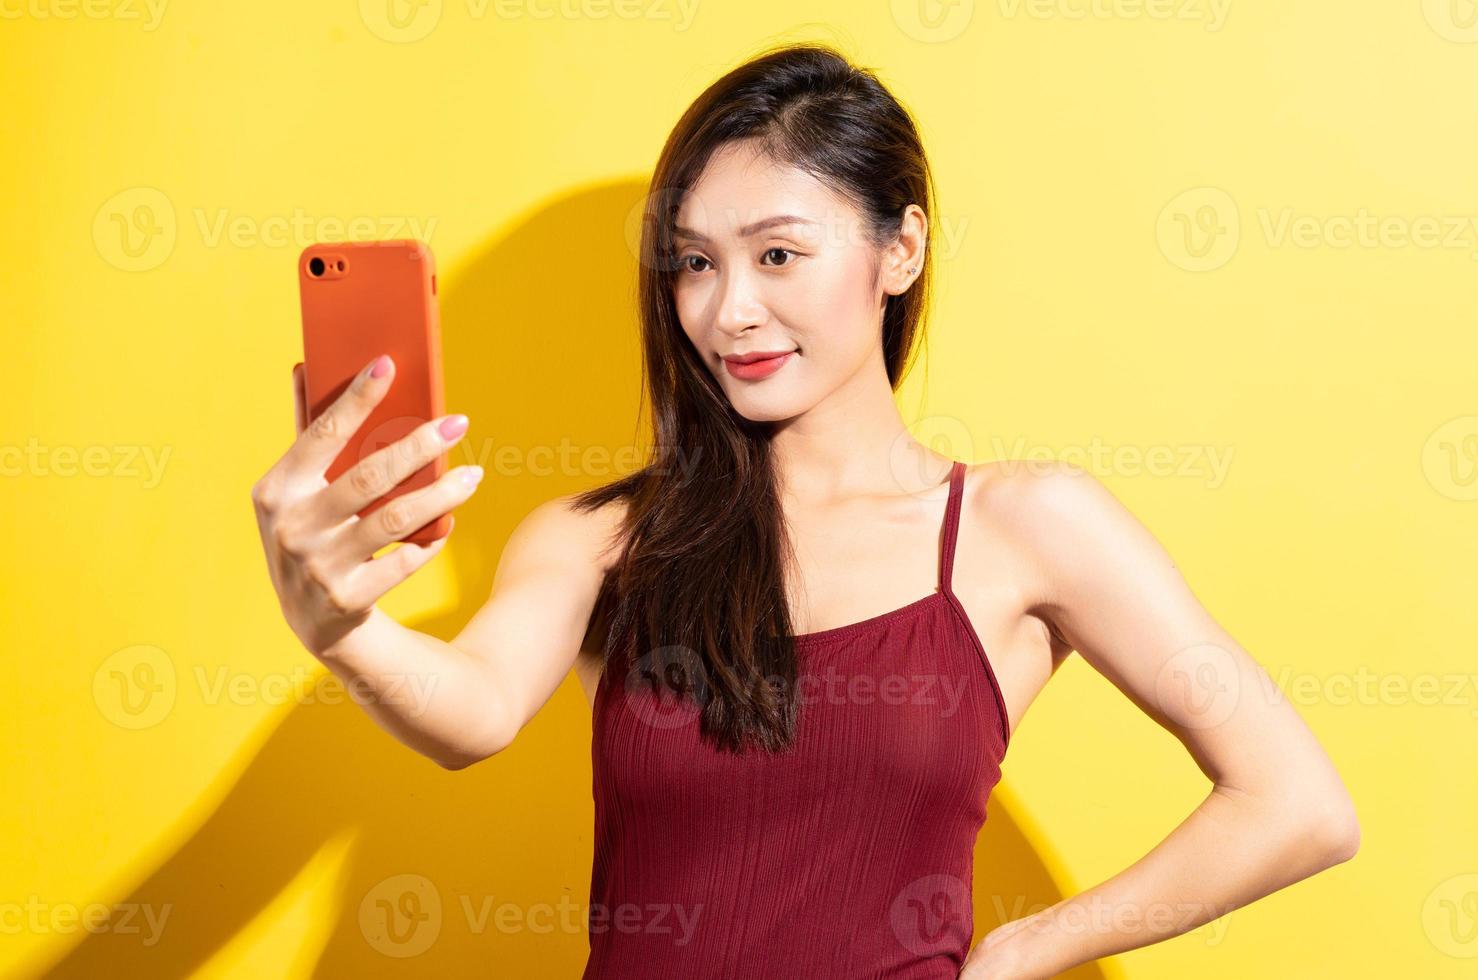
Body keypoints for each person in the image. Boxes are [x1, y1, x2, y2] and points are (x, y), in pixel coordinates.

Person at [251, 42, 1359, 980]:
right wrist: (338, 623)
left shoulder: (1024, 526)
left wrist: (1019, 952)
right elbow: (471, 710)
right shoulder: (601, 535)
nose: (730, 310)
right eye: (693, 262)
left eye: (777, 253)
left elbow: (1295, 802)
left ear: (900, 249)